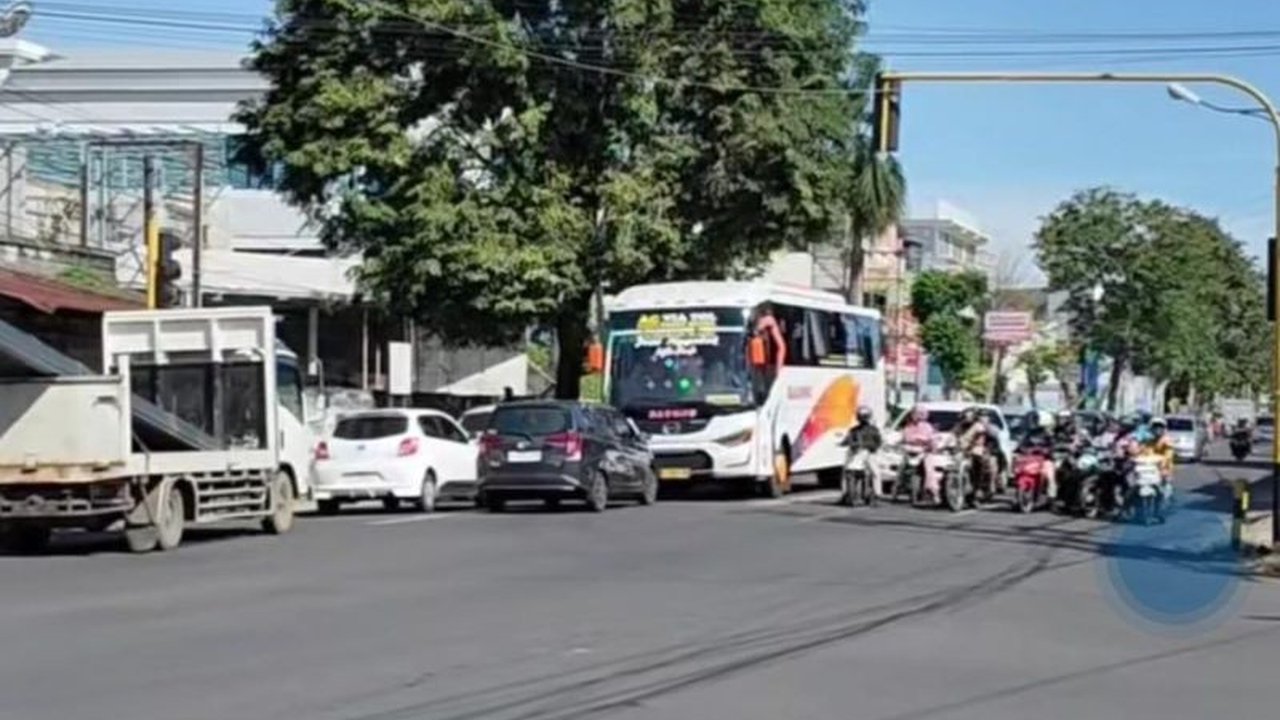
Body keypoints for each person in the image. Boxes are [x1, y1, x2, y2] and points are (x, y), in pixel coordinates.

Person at [900, 406, 946, 502]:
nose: (918, 416)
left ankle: (934, 492)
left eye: (921, 414)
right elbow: (904, 439)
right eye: (916, 414)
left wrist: (932, 446)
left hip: (925, 452)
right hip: (910, 452)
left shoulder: (928, 427)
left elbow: (933, 440)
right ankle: (896, 490)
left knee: (929, 471)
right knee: (901, 469)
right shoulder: (908, 427)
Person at [842, 406, 884, 499]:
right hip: (855, 453)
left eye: (865, 416)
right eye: (861, 417)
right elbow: (847, 440)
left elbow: (878, 442)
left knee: (875, 472)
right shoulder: (853, 430)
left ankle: (877, 493)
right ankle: (845, 493)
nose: (863, 419)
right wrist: (845, 443)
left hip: (869, 454)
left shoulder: (874, 430)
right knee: (846, 472)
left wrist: (871, 447)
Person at [1016, 409, 1058, 500]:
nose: (1033, 421)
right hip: (1031, 459)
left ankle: (1050, 497)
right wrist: (1020, 449)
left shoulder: (1048, 435)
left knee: (1049, 476)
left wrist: (1047, 451)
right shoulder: (1029, 434)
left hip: (1044, 459)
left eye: (1036, 419)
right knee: (1020, 470)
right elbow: (1022, 444)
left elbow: (1052, 446)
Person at [955, 407, 999, 493]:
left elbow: (985, 439)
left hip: (977, 450)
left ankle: (978, 487)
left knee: (981, 463)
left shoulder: (980, 427)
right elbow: (953, 435)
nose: (967, 418)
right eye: (965, 416)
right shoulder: (959, 426)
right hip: (962, 450)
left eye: (985, 416)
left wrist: (987, 449)